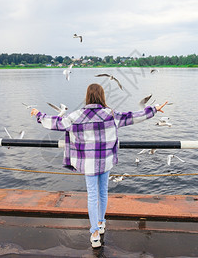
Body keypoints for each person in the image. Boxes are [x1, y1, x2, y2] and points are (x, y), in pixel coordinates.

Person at [31, 83, 167, 248]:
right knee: (103, 193)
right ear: (102, 97)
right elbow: (132, 116)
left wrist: (39, 114)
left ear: (87, 97)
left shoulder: (76, 116)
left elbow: (57, 123)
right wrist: (154, 109)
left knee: (92, 196)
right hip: (105, 161)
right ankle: (101, 223)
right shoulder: (110, 114)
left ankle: (95, 233)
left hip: (88, 163)